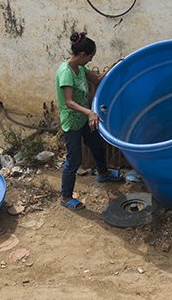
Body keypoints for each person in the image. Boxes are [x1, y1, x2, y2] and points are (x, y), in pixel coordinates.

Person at [55, 31, 123, 211]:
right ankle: (65, 196)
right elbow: (69, 102)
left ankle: (103, 174)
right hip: (72, 122)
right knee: (74, 160)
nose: (91, 61)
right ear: (82, 54)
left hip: (85, 118)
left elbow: (98, 80)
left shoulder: (81, 68)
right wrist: (90, 113)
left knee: (97, 145)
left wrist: (114, 66)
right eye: (90, 57)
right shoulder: (66, 73)